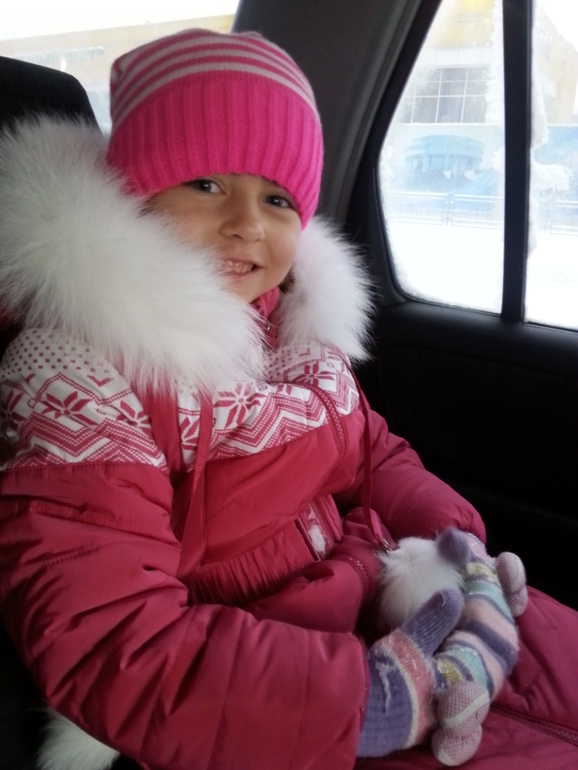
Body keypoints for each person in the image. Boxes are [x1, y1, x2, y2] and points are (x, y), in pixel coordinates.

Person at [0, 27, 576, 770]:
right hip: (265, 689)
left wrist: (454, 542)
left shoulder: (290, 322)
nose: (247, 223)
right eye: (205, 184)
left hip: (379, 585)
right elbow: (113, 637)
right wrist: (366, 702)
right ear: (130, 191)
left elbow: (371, 451)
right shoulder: (78, 371)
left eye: (276, 198)